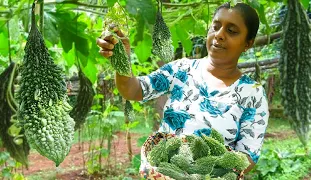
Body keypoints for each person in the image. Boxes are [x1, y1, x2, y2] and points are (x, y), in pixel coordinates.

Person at [96, 2, 269, 174]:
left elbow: (248, 155)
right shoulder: (182, 70)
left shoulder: (252, 93)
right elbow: (133, 90)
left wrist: (208, 175)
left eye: (231, 31)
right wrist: (122, 59)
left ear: (248, 43)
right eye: (215, 27)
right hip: (163, 174)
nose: (219, 34)